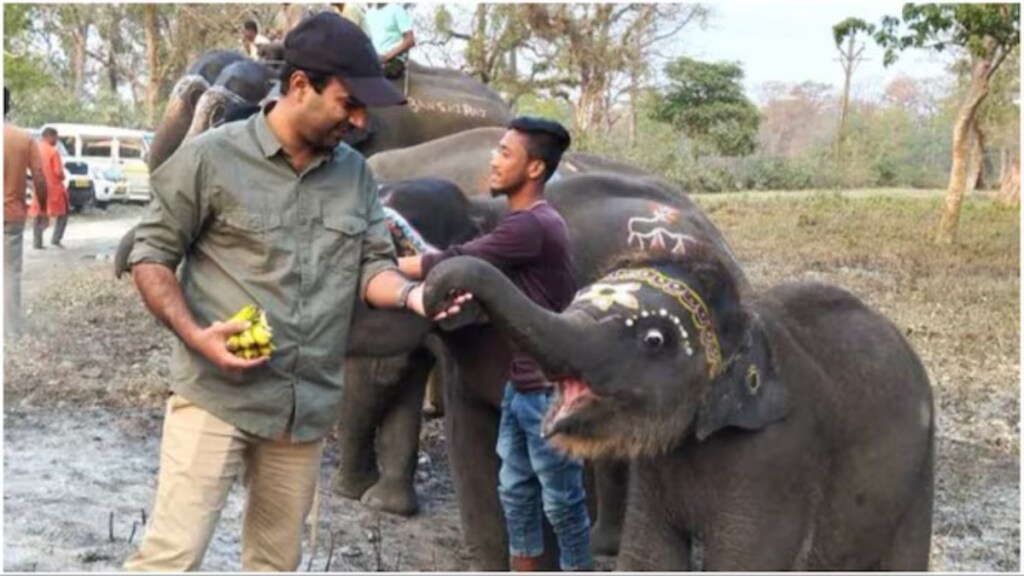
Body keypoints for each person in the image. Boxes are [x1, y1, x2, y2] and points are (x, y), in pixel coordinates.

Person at [121, 13, 458, 571]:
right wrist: (195, 335)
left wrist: (415, 298)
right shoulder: (212, 157)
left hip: (303, 409)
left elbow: (373, 265)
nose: (357, 120)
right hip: (216, 394)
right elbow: (151, 254)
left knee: (277, 563)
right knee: (170, 557)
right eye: (348, 103)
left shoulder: (354, 175)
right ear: (300, 85)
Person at [400, 117, 593, 572]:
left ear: (534, 169)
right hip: (522, 383)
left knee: (563, 500)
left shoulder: (532, 226)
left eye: (505, 153)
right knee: (516, 488)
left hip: (550, 390)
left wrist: (386, 263)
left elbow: (455, 264)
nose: (493, 160)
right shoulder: (523, 221)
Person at [3, 86, 47, 338]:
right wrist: (41, 208)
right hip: (11, 216)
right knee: (9, 271)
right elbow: (39, 177)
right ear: (8, 106)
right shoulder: (22, 138)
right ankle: (9, 330)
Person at [31, 127, 68, 249]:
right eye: (55, 137)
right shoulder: (53, 152)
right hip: (54, 188)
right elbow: (58, 172)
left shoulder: (35, 150)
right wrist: (63, 176)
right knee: (63, 213)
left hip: (38, 187)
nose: (56, 140)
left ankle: (37, 242)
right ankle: (56, 239)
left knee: (39, 213)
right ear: (49, 136)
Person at [364, 3, 416, 79]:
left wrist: (386, 57)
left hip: (394, 60)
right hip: (375, 60)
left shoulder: (397, 10)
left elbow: (410, 40)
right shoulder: (369, 14)